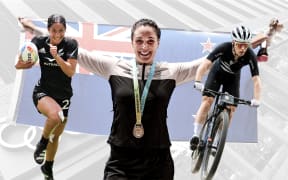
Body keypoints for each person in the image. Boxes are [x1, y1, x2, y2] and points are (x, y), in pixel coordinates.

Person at [18, 17, 202, 179]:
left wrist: (229, 50)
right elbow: (74, 52)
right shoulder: (114, 67)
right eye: (139, 41)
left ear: (158, 43)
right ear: (132, 43)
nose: (144, 46)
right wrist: (35, 30)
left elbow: (203, 65)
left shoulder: (171, 71)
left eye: (150, 41)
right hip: (121, 162)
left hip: (158, 162)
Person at [15, 14, 78, 180]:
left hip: (63, 96)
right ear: (48, 30)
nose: (57, 34)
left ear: (65, 30)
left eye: (61, 31)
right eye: (54, 30)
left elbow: (70, 72)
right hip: (43, 92)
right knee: (55, 116)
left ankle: (47, 167)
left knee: (56, 135)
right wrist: (23, 63)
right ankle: (41, 144)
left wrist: (56, 56)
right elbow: (19, 65)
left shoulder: (71, 44)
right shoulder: (39, 42)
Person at [190, 25, 262, 150]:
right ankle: (196, 134)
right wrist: (198, 80)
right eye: (240, 45)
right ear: (233, 43)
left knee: (231, 108)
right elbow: (206, 64)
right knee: (207, 101)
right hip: (217, 74)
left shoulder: (250, 55)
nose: (243, 48)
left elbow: (256, 80)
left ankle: (218, 139)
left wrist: (257, 99)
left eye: (246, 45)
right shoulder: (224, 47)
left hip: (232, 79)